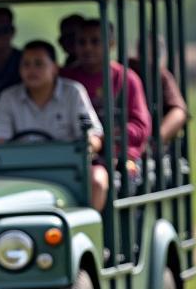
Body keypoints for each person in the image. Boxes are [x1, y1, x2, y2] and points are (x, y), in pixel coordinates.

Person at [0, 40, 108, 210]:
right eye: (26, 65)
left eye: (39, 64)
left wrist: (88, 145)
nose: (32, 70)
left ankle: (88, 229)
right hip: (21, 171)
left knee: (98, 180)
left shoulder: (73, 92)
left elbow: (94, 134)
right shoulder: (8, 98)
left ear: (54, 68)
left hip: (68, 169)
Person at [62, 19, 151, 181]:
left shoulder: (126, 79)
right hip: (75, 156)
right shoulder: (65, 79)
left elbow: (141, 127)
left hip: (119, 158)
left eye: (95, 41)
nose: (88, 48)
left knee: (122, 176)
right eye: (82, 42)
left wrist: (105, 137)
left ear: (111, 44)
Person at [127, 53, 188, 143]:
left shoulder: (159, 74)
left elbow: (178, 112)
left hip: (146, 138)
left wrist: (155, 140)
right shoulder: (122, 70)